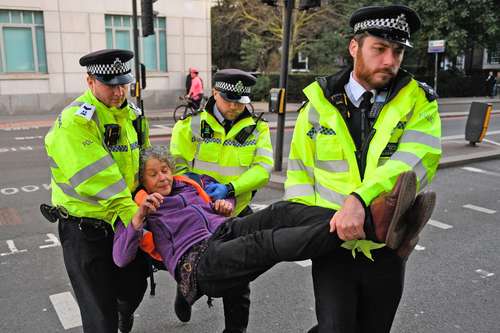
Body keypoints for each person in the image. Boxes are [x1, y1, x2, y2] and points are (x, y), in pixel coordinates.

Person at [112, 146, 432, 331]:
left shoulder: (188, 185)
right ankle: (375, 228)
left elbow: (210, 210)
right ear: (142, 180)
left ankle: (368, 217)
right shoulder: (143, 206)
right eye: (153, 174)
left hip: (224, 232)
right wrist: (139, 218)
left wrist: (221, 206)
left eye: (165, 169)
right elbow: (121, 256)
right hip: (198, 262)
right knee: (265, 244)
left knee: (281, 212)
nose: (163, 177)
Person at [283, 5, 442, 333]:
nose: (390, 61)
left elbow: (416, 160)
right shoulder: (317, 106)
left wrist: (359, 199)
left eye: (397, 51)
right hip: (330, 245)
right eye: (380, 49)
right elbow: (300, 174)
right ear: (354, 47)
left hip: (386, 248)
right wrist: (307, 228)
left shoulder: (418, 102)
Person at [43, 49, 151, 333]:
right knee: (100, 319)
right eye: (110, 85)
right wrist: (138, 218)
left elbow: (143, 164)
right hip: (85, 231)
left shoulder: (133, 116)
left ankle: (123, 313)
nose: (119, 92)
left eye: (123, 83)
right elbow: (100, 179)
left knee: (134, 286)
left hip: (123, 222)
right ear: (90, 81)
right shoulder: (76, 122)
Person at [170, 68, 274, 331]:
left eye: (240, 102)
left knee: (238, 283)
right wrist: (205, 196)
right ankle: (187, 290)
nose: (235, 107)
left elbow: (262, 169)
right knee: (196, 266)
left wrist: (229, 189)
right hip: (199, 215)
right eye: (229, 100)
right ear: (214, 92)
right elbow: (177, 170)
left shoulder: (257, 129)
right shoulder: (190, 125)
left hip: (236, 211)